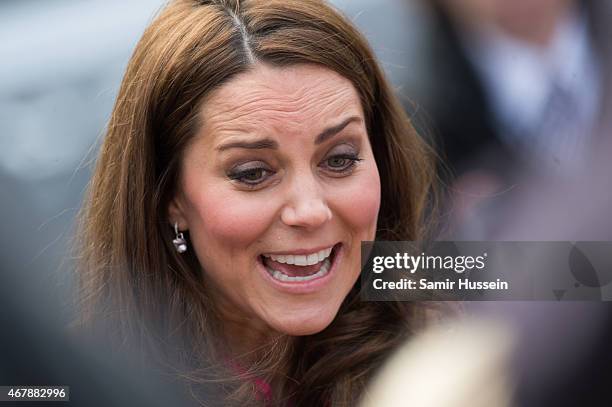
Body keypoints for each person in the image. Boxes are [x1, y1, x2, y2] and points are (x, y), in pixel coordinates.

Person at [75, 0, 438, 405]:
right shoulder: (75, 379)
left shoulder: (460, 316)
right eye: (253, 173)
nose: (310, 211)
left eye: (339, 160)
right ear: (168, 196)